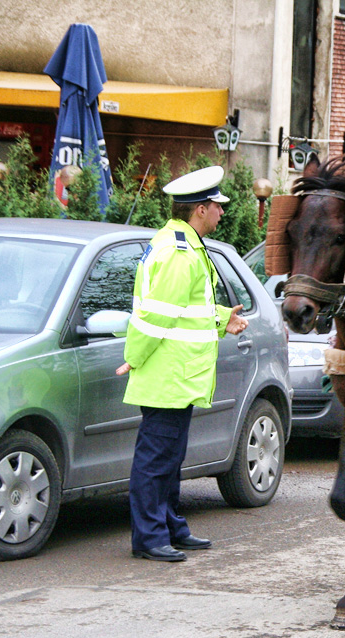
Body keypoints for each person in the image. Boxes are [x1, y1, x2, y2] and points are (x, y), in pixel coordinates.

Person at [115, 165, 248, 562]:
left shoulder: (183, 245)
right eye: (218, 206)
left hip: (176, 374)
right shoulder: (179, 252)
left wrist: (225, 318)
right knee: (156, 461)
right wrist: (132, 358)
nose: (223, 213)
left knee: (169, 460)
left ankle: (170, 527)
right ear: (201, 209)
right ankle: (149, 537)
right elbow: (156, 315)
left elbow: (187, 307)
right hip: (166, 374)